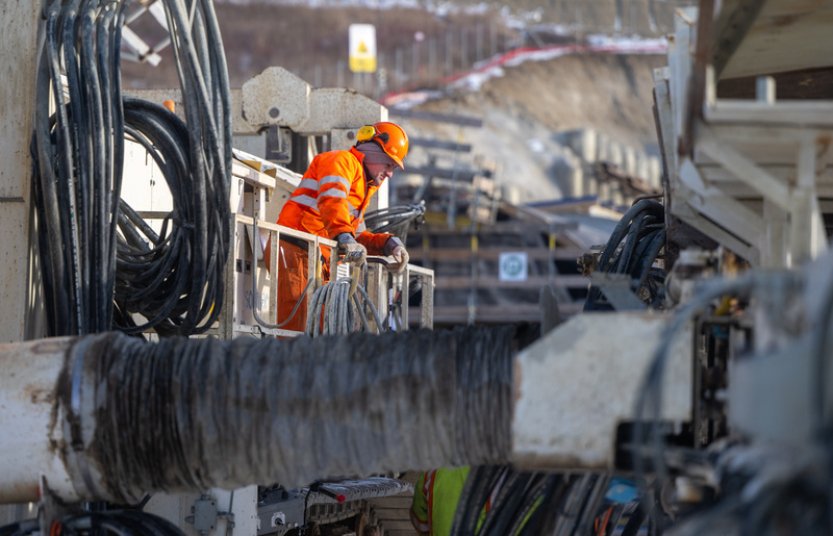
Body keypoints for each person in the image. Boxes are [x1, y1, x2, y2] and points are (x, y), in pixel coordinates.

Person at [266, 121, 411, 331]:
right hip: (296, 249)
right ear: (373, 153)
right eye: (389, 164)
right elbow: (332, 201)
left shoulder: (361, 186)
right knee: (297, 329)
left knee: (319, 327)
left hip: (316, 258)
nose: (390, 174)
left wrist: (390, 244)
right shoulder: (341, 161)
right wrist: (344, 237)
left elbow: (356, 237)